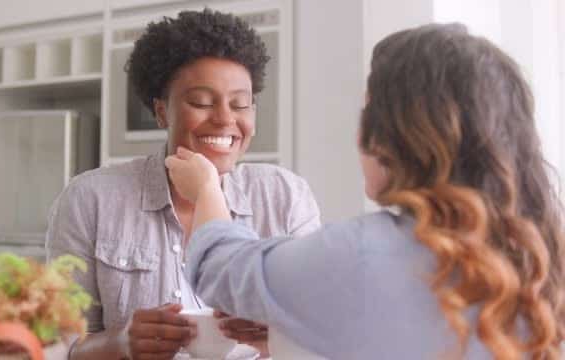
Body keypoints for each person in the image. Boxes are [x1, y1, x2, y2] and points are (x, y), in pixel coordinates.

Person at [165, 23, 565, 359]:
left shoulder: (358, 251)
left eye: (367, 114)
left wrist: (206, 191)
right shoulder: (538, 255)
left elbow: (219, 268)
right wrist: (291, 338)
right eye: (200, 101)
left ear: (398, 137)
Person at [45, 8, 321, 360]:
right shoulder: (91, 200)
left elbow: (321, 335)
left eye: (240, 104)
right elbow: (56, 347)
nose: (225, 119)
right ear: (161, 111)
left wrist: (281, 336)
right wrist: (120, 343)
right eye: (202, 102)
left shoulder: (284, 198)